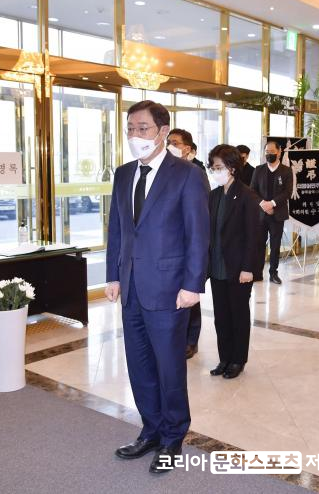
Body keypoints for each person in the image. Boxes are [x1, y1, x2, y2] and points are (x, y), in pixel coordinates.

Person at [106, 100, 209, 474]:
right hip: (132, 287)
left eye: (143, 128)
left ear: (163, 131)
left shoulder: (187, 175)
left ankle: (172, 437)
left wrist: (192, 284)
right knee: (139, 366)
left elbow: (198, 234)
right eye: (130, 128)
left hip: (169, 289)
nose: (135, 135)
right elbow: (117, 229)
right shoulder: (123, 174)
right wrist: (113, 275)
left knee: (169, 367)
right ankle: (150, 430)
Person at [207, 145, 262, 380]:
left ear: (231, 167)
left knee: (238, 315)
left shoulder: (247, 195)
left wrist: (248, 268)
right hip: (217, 266)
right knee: (221, 316)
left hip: (239, 268)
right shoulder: (214, 196)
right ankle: (224, 358)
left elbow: (254, 236)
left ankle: (238, 359)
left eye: (219, 167)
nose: (215, 171)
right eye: (213, 167)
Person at [167, 128, 204, 359]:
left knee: (191, 297)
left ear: (187, 148)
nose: (170, 146)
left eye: (175, 142)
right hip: (169, 249)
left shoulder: (196, 171)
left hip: (187, 247)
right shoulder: (165, 170)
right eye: (168, 142)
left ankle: (191, 340)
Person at [250, 140, 293, 284]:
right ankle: (257, 273)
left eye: (272, 152)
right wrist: (263, 204)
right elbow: (252, 190)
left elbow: (287, 192)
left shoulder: (286, 171)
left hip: (277, 213)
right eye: (267, 152)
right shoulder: (258, 169)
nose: (269, 154)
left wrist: (272, 204)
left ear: (279, 152)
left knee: (275, 245)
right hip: (260, 213)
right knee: (259, 244)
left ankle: (273, 273)